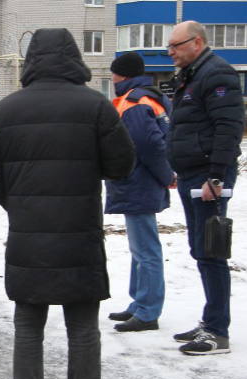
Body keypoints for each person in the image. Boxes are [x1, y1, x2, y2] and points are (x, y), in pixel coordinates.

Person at [0, 29, 136, 379]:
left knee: (28, 326)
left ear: (31, 59)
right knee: (82, 328)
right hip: (79, 233)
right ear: (74, 57)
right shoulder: (97, 106)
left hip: (28, 236)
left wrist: (22, 206)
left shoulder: (7, 109)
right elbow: (122, 165)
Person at [166, 21, 243, 355]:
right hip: (191, 173)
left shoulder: (217, 74)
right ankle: (211, 319)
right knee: (200, 249)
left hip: (207, 177)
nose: (170, 52)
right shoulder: (193, 74)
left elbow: (229, 126)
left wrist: (215, 177)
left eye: (175, 45)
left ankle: (217, 331)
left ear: (196, 43)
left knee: (211, 252)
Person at [105, 52, 177, 332]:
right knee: (140, 248)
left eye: (113, 73)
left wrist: (166, 175)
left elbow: (148, 145)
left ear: (122, 74)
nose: (111, 79)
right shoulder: (147, 97)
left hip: (138, 182)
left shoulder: (135, 102)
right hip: (140, 182)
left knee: (146, 249)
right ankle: (139, 303)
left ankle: (147, 311)